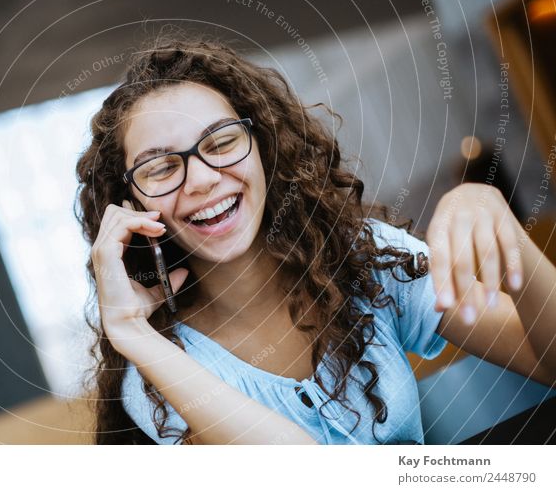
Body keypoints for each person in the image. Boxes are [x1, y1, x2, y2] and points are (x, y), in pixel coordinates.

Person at [74, 31, 556, 445]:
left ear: (261, 147)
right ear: (131, 204)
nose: (201, 179)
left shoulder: (366, 259)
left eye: (221, 142)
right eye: (160, 168)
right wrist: (132, 332)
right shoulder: (157, 366)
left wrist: (497, 219)